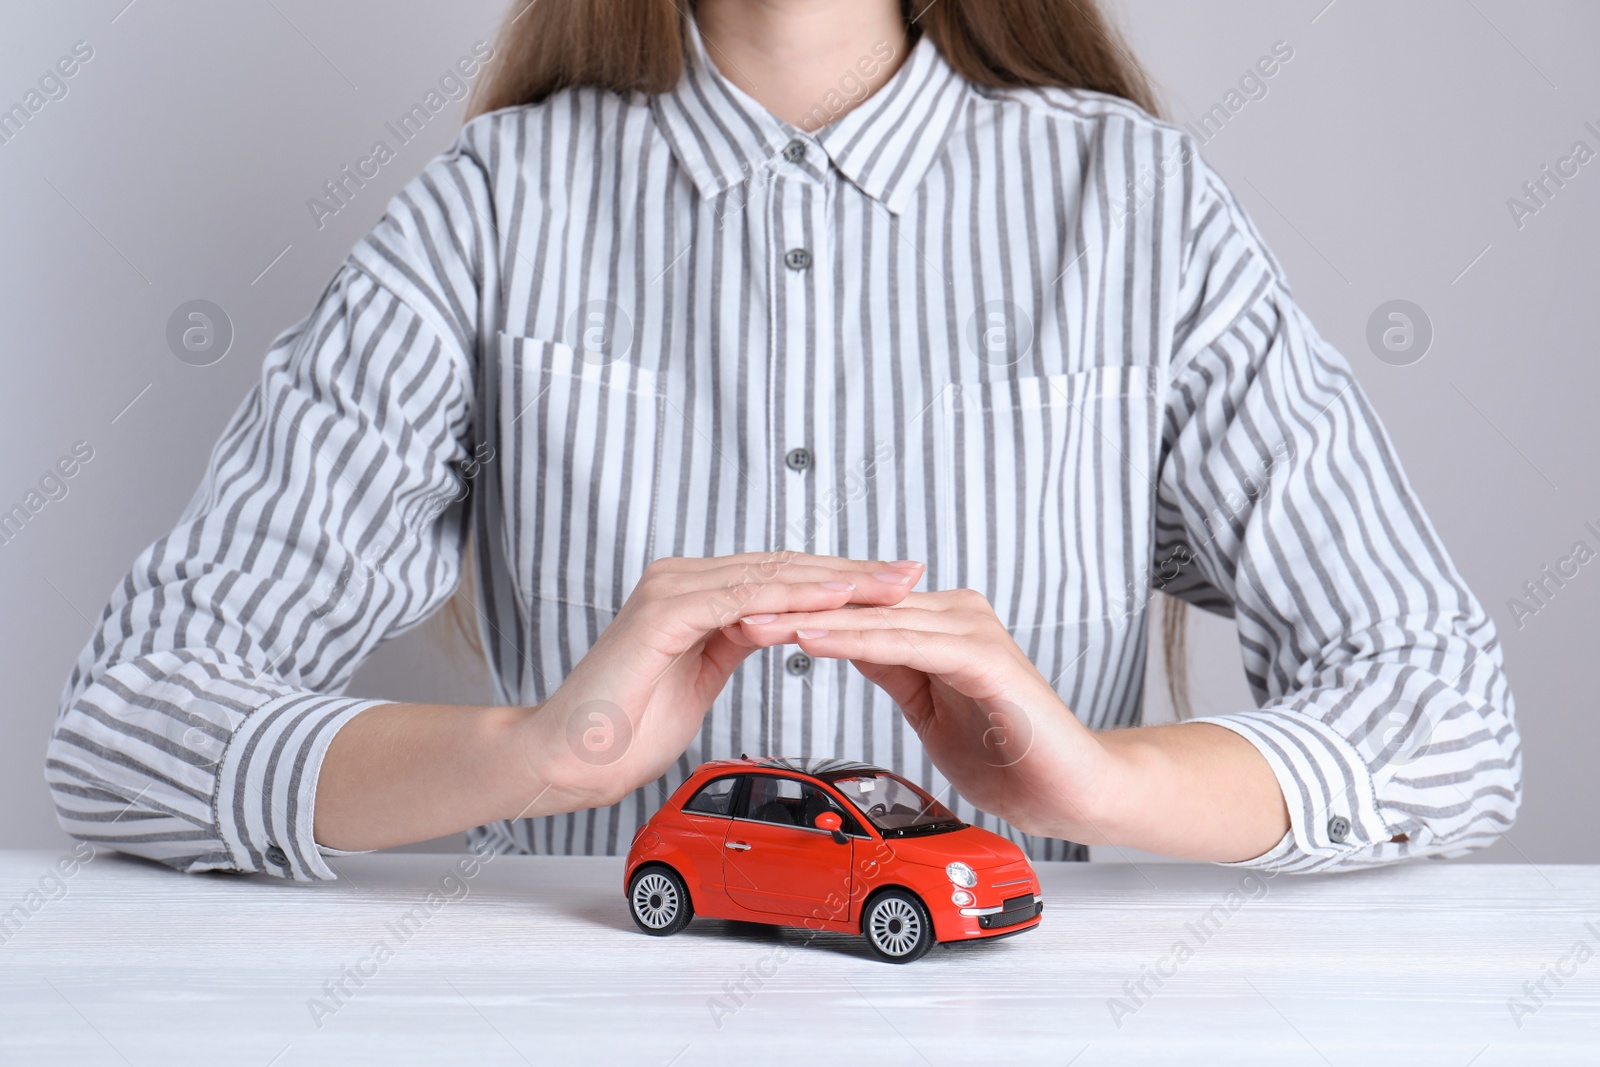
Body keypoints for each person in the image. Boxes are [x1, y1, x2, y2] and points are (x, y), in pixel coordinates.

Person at [47, 0, 1519, 882]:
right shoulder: (491, 210)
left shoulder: (1138, 209)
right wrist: (539, 753)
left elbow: (1445, 715)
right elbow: (126, 731)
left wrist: (1108, 781)